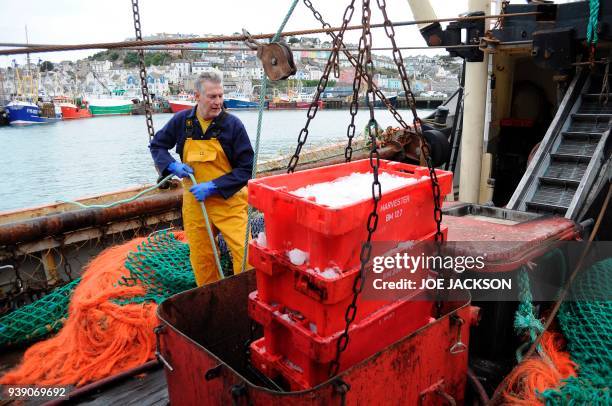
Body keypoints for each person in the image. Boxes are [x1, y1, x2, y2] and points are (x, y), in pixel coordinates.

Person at [149, 71, 254, 286]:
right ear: (197, 96)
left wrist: (215, 186)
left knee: (247, 254)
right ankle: (212, 302)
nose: (218, 102)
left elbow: (246, 168)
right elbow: (157, 145)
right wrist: (170, 165)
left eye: (220, 96)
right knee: (202, 258)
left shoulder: (233, 126)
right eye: (212, 97)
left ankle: (246, 299)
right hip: (196, 203)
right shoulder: (182, 122)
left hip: (230, 202)